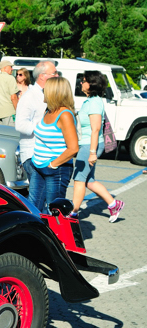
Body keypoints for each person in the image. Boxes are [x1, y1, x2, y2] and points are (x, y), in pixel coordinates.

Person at [71, 70, 124, 221]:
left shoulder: (94, 102)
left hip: (89, 145)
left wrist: (92, 152)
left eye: (84, 80)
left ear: (92, 84)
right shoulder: (91, 100)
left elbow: (95, 129)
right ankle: (114, 204)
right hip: (89, 144)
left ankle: (73, 213)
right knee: (89, 181)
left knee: (79, 179)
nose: (81, 83)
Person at [29, 76, 79, 212]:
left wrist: (53, 164)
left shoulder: (65, 115)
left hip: (56, 170)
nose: (43, 91)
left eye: (46, 89)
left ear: (54, 92)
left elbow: (73, 148)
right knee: (33, 207)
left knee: (53, 211)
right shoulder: (48, 111)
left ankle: (55, 234)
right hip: (38, 166)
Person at [15, 60, 57, 194]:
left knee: (44, 196)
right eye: (54, 73)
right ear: (42, 76)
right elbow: (21, 125)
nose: (57, 76)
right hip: (33, 154)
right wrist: (44, 127)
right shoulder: (29, 96)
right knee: (38, 197)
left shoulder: (46, 93)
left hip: (45, 154)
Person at [0, 60, 19, 125]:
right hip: (9, 113)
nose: (12, 69)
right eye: (10, 67)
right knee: (11, 133)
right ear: (5, 68)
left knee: (0, 134)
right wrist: (18, 111)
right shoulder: (10, 78)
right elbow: (13, 97)